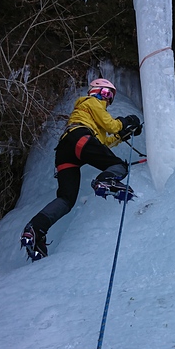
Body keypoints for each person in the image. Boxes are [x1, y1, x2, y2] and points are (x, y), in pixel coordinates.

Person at [20, 78, 142, 261]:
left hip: (66, 150)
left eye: (111, 97)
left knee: (66, 199)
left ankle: (35, 228)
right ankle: (105, 180)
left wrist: (120, 135)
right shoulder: (91, 102)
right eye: (107, 94)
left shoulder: (86, 114)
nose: (108, 100)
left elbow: (102, 142)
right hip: (79, 138)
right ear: (96, 91)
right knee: (118, 166)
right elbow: (111, 125)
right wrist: (126, 122)